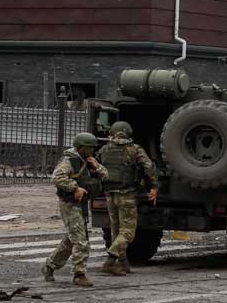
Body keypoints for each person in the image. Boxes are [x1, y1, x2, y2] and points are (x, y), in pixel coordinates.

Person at [43, 132, 107, 287]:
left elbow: (105, 175)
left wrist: (96, 165)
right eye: (89, 148)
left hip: (81, 205)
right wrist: (75, 188)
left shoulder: (87, 160)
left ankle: (50, 266)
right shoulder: (69, 160)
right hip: (70, 204)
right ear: (80, 147)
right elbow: (57, 178)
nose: (92, 151)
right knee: (81, 241)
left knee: (71, 241)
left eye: (93, 148)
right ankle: (79, 274)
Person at [96, 121, 158, 276]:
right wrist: (154, 186)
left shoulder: (105, 149)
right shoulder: (134, 149)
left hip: (110, 194)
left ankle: (123, 264)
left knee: (116, 231)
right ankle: (110, 261)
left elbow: (96, 166)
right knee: (128, 232)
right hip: (127, 194)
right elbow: (148, 167)